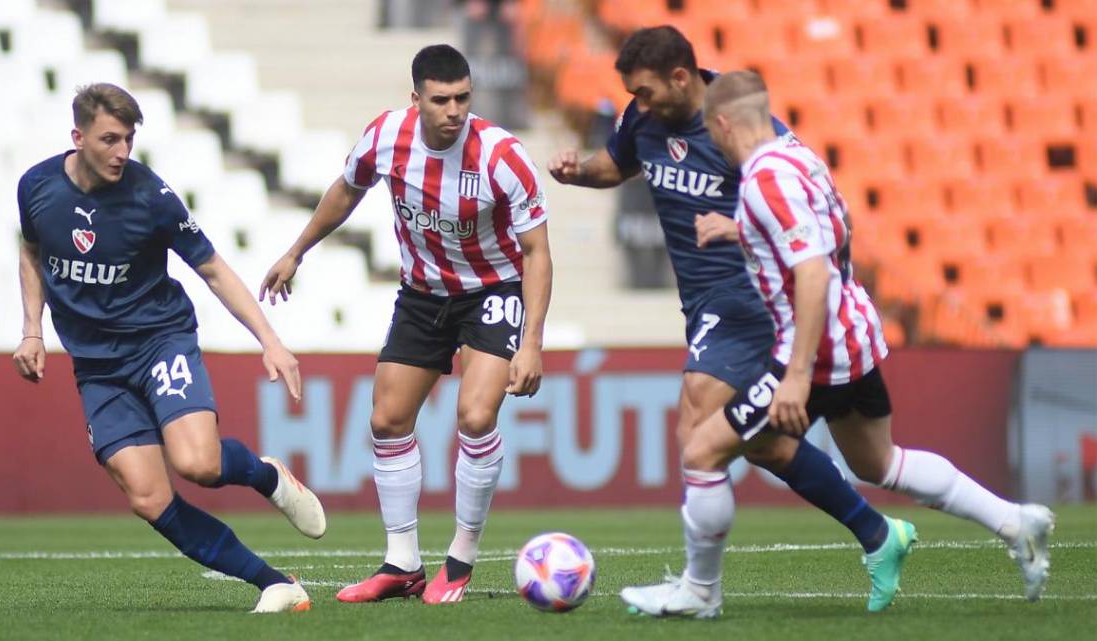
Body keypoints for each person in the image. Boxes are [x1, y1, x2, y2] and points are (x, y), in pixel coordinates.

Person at [647, 69, 1055, 616]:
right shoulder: (800, 160)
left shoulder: (764, 180)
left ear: (721, 124)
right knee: (879, 461)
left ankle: (699, 592)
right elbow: (832, 228)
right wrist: (737, 229)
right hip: (855, 335)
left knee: (701, 449)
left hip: (815, 356)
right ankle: (1014, 522)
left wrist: (794, 376)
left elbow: (812, 273)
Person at [550, 26, 911, 616]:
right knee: (761, 445)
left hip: (747, 296)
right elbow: (615, 166)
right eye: (631, 96)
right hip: (701, 303)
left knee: (699, 421)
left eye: (644, 92)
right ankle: (877, 534)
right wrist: (576, 171)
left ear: (681, 78)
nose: (637, 105)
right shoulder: (643, 120)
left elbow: (807, 206)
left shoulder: (736, 127)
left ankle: (699, 589)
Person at [12, 83, 326, 614]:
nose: (121, 152)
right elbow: (31, 249)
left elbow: (212, 268)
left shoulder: (150, 197)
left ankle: (265, 474)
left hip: (159, 342)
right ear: (77, 136)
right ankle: (275, 583)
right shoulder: (36, 187)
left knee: (199, 464)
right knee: (149, 498)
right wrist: (32, 330)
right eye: (109, 139)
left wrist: (270, 340)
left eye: (128, 139)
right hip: (97, 368)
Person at [259, 44, 552, 605]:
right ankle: (403, 564)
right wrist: (297, 250)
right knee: (388, 420)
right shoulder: (385, 138)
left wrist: (531, 343)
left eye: (463, 98)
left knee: (474, 413)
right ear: (414, 98)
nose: (455, 110)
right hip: (422, 293)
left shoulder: (502, 156)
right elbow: (346, 189)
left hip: (492, 291)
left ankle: (460, 562)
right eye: (441, 99)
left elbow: (538, 252)